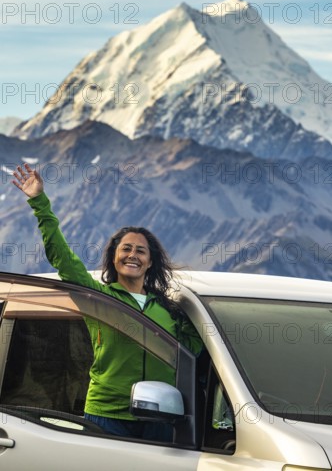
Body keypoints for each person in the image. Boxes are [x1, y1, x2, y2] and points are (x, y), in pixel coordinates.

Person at [12, 163, 202, 441]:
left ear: (150, 262)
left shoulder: (168, 308)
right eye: (126, 248)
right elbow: (63, 259)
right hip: (107, 415)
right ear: (114, 256)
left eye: (141, 251)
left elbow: (194, 349)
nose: (133, 255)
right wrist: (40, 202)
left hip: (161, 416)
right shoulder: (99, 298)